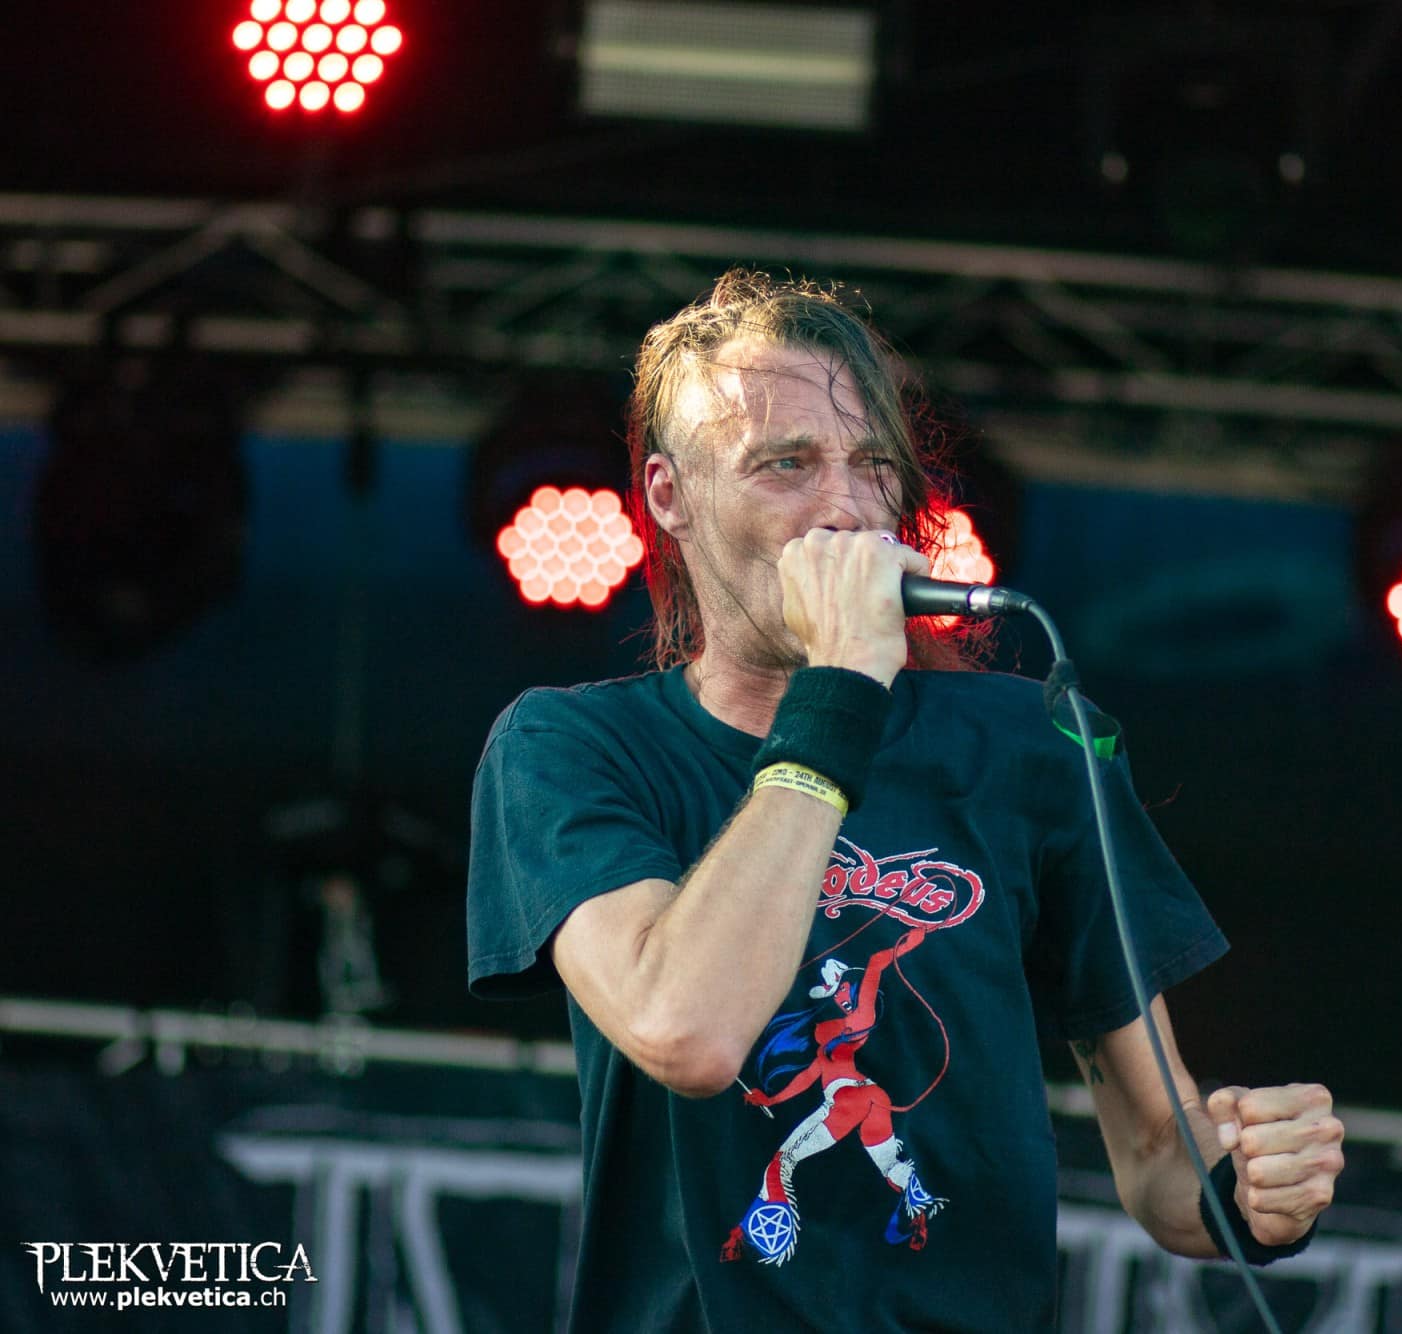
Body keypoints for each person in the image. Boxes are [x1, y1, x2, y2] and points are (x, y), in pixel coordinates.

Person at [466, 270, 1344, 1332]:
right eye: (786, 463)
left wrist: (1245, 1187)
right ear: (669, 495)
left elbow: (1157, 1146)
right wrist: (841, 685)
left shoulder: (1024, 746)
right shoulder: (572, 747)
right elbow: (685, 1030)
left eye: (873, 466)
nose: (845, 508)